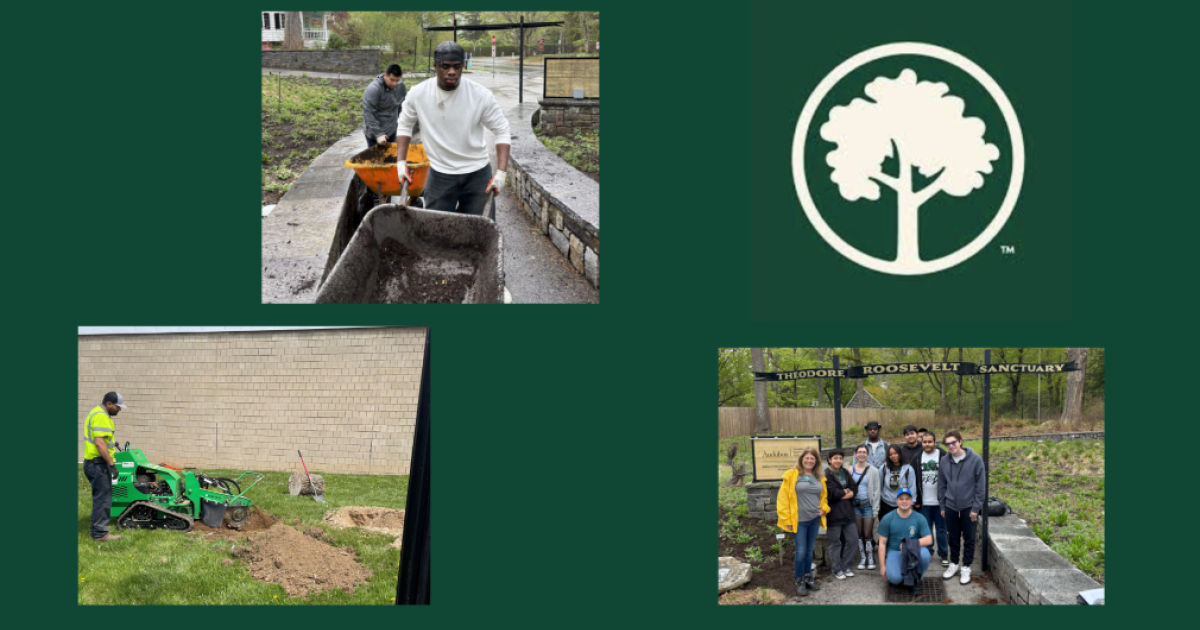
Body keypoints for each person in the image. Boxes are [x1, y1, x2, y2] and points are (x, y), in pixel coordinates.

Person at [395, 41, 511, 216]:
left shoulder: (480, 95)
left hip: (477, 174)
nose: (452, 72)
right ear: (434, 66)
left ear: (462, 66)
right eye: (445, 66)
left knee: (480, 231)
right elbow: (404, 124)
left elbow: (501, 130)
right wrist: (401, 163)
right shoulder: (418, 94)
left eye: (457, 67)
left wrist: (501, 173)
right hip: (440, 173)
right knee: (436, 230)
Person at [776, 447, 829, 597]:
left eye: (812, 458)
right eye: (807, 458)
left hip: (814, 519)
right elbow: (783, 499)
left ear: (816, 461)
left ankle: (808, 577)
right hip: (799, 520)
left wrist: (824, 509)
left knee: (809, 550)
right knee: (800, 552)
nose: (809, 460)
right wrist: (787, 519)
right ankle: (799, 580)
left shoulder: (819, 477)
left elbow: (823, 497)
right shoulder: (792, 475)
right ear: (801, 459)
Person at [938, 430, 987, 585]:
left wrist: (975, 508)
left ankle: (966, 566)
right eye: (947, 444)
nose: (951, 446)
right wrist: (943, 505)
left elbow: (981, 486)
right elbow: (941, 485)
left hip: (968, 506)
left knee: (969, 538)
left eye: (953, 442)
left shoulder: (975, 460)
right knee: (952, 537)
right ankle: (953, 564)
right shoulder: (944, 462)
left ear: (960, 441)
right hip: (951, 505)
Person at [83, 392, 127, 542]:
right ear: (109, 404)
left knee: (99, 498)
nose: (119, 410)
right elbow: (100, 443)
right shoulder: (101, 416)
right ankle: (101, 534)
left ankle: (95, 531)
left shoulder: (96, 412)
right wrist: (112, 464)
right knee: (103, 499)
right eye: (117, 407)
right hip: (98, 465)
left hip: (94, 463)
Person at [877, 488, 933, 597]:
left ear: (912, 501)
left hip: (913, 551)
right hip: (895, 551)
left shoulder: (919, 517)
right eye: (901, 499)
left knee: (925, 554)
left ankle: (915, 578)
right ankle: (901, 575)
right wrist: (882, 566)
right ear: (896, 501)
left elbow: (929, 539)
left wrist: (908, 545)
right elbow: (882, 544)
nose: (904, 501)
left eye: (907, 499)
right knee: (894, 578)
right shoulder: (887, 518)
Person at [913, 430, 950, 566]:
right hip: (924, 502)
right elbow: (913, 480)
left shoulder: (943, 456)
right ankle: (928, 551)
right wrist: (916, 500)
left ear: (935, 442)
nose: (927, 444)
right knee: (926, 529)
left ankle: (943, 553)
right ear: (921, 442)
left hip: (941, 501)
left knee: (941, 529)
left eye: (930, 441)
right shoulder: (917, 457)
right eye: (924, 442)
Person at [823, 450, 860, 579]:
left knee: (853, 540)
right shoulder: (826, 474)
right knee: (835, 543)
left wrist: (844, 493)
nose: (838, 461)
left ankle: (846, 566)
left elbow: (854, 489)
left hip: (848, 514)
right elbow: (831, 494)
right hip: (834, 515)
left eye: (840, 458)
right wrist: (846, 492)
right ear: (829, 459)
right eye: (835, 458)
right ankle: (837, 569)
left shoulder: (844, 472)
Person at [849, 444, 880, 571]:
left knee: (868, 533)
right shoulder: (850, 470)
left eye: (864, 452)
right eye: (859, 452)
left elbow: (877, 491)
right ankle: (862, 558)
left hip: (868, 504)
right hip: (855, 505)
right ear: (855, 453)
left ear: (867, 454)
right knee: (859, 533)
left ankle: (870, 557)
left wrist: (875, 509)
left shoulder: (873, 470)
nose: (861, 454)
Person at [362, 64, 407, 148]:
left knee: (389, 158)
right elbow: (369, 114)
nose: (394, 84)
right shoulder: (373, 90)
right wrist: (378, 134)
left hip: (391, 130)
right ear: (385, 75)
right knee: (376, 160)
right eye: (392, 80)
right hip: (375, 135)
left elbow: (401, 105)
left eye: (397, 80)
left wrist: (401, 125)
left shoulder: (400, 86)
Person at [877, 444, 916, 524]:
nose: (893, 456)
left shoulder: (908, 469)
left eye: (895, 453)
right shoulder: (883, 468)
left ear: (900, 453)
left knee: (901, 528)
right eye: (890, 454)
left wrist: (911, 504)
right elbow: (879, 486)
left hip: (903, 504)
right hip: (886, 503)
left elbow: (912, 487)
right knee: (887, 528)